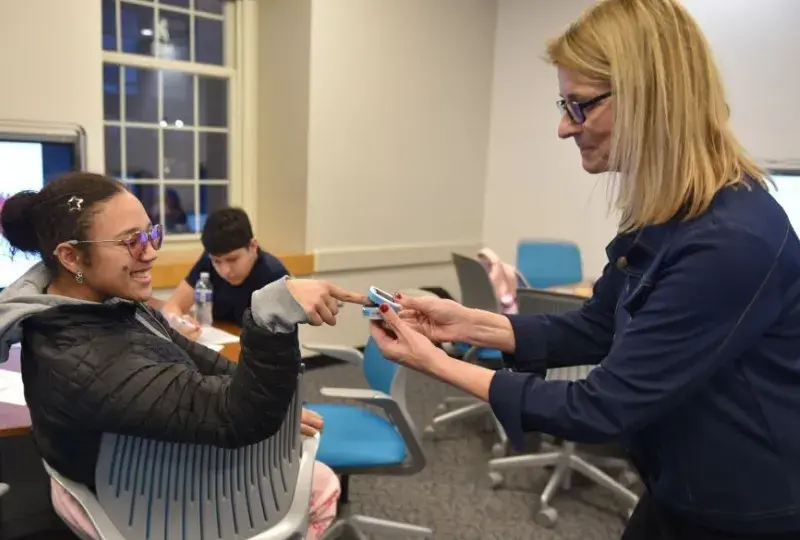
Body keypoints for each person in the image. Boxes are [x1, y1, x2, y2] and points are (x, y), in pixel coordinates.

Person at [368, 1, 800, 539]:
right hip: (678, 483)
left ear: (651, 99)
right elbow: (596, 326)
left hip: (744, 511)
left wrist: (436, 363)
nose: (563, 128)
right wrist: (463, 324)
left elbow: (599, 409)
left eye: (579, 107)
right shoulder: (667, 216)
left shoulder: (732, 241)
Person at [0, 172, 366, 539]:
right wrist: (272, 316)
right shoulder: (86, 360)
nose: (150, 252)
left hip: (136, 473)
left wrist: (275, 405)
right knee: (317, 484)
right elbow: (237, 416)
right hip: (132, 505)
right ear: (71, 256)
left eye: (151, 234)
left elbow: (190, 354)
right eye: (131, 241)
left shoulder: (102, 303)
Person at [162, 207, 289, 338]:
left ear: (253, 246)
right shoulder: (208, 260)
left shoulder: (275, 276)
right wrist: (178, 324)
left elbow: (277, 341)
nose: (225, 271)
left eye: (232, 259)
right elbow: (172, 306)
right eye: (217, 261)